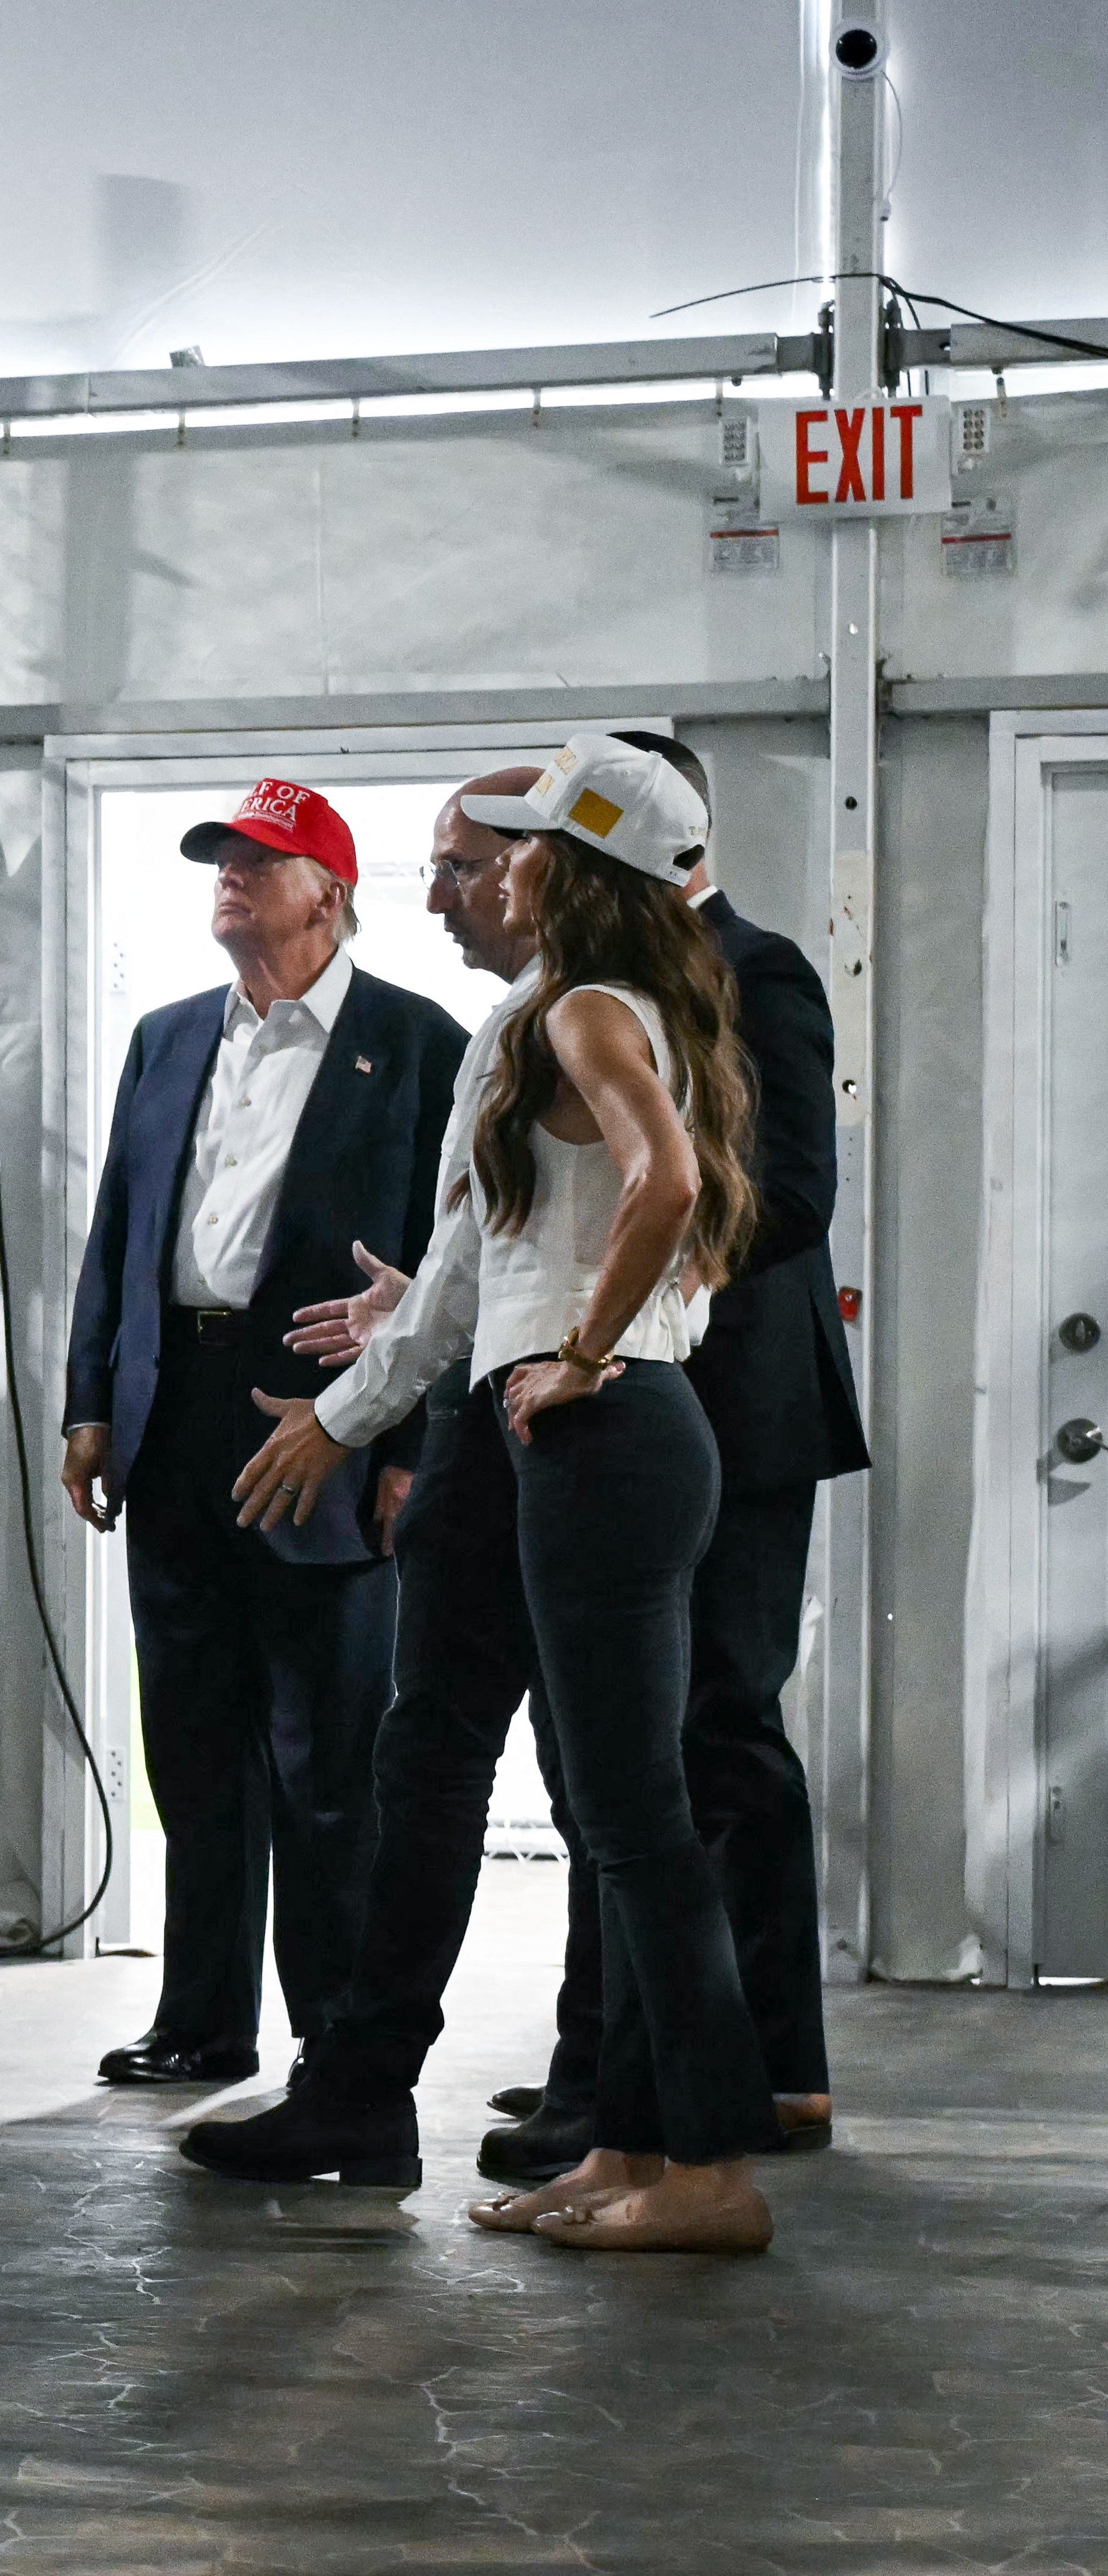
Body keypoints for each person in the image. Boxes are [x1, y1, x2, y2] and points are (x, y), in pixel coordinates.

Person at [211, 735, 780, 2253]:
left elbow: (659, 1188)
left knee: (634, 1818)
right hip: (600, 1430)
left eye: (515, 846)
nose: (489, 867)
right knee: (616, 1811)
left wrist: (581, 1350)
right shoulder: (615, 1007)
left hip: (601, 1437)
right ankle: (635, 2148)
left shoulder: (588, 1009)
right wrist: (524, 1334)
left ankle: (711, 2172)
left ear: (574, 871)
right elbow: (513, 1253)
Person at [483, 728, 861, 2180]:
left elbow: (790, 1194)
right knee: (624, 1759)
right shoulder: (578, 993)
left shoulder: (751, 968)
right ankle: (611, 2070)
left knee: (714, 1737)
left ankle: (770, 2071)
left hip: (733, 1408)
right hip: (642, 1392)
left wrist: (633, 1309)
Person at [58, 779, 471, 2090]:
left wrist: (406, 1447)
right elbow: (121, 1231)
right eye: (220, 860)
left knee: (326, 1753)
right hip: (173, 1410)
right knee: (192, 1734)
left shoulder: (418, 1044)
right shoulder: (166, 1037)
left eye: (260, 861)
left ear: (331, 896)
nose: (230, 879)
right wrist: (89, 1404)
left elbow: (450, 1264)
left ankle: (335, 2037)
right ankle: (200, 2018)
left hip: (327, 1420)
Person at [178, 770, 549, 2186]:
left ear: (547, 870)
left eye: (462, 867)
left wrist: (359, 1419)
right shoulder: (537, 1019)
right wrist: (425, 1320)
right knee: (448, 1765)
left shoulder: (543, 1020)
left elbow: (660, 1212)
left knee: (569, 1790)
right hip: (484, 1421)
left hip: (545, 1437)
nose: (438, 891)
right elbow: (476, 1267)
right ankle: (363, 2085)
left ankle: (651, 2118)